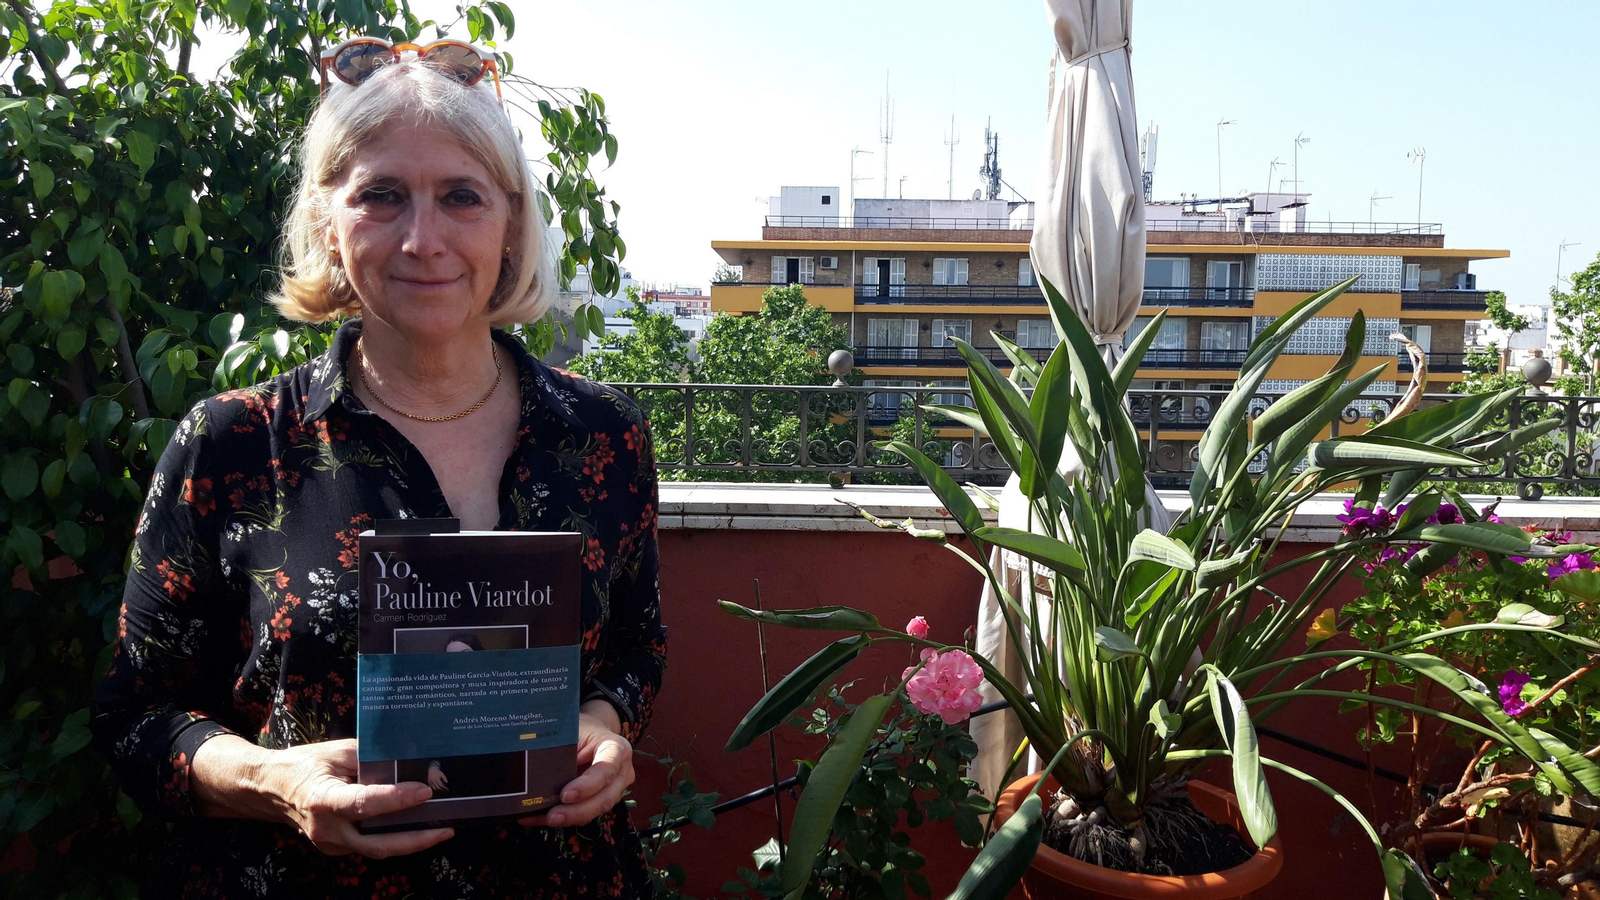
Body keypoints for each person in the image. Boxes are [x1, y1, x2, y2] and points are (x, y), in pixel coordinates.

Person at [91, 39, 665, 898]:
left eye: (461, 197)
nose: (422, 239)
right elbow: (134, 719)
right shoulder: (233, 443)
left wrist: (604, 722)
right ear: (330, 221)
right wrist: (274, 785)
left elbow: (637, 650)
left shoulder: (604, 433)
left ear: (510, 224)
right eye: (383, 196)